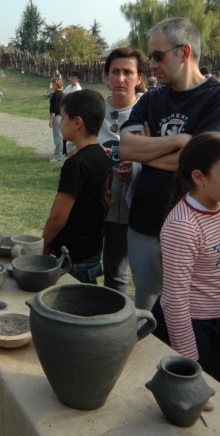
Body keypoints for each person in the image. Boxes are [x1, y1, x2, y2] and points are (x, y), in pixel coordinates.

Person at [119, 17, 220, 311]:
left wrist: (148, 152)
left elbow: (208, 163)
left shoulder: (215, 98)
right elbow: (126, 148)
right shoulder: (151, 98)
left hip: (196, 232)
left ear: (184, 52)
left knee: (191, 312)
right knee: (146, 310)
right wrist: (181, 141)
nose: (151, 64)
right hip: (144, 226)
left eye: (157, 55)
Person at [153, 132, 220, 382]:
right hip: (193, 328)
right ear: (199, 177)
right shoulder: (183, 227)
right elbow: (175, 300)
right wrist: (189, 366)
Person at [41, 90, 110, 284]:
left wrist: (43, 245)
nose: (60, 123)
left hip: (73, 260)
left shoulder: (76, 164)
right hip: (92, 251)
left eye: (63, 118)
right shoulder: (101, 155)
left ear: (77, 123)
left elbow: (58, 218)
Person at [97, 47, 146, 294]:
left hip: (127, 208)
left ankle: (111, 323)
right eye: (115, 72)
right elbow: (72, 147)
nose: (121, 78)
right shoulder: (94, 109)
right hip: (92, 204)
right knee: (80, 263)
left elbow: (157, 156)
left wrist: (135, 170)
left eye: (128, 72)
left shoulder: (149, 114)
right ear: (107, 76)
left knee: (116, 273)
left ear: (139, 78)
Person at [48, 78, 64, 163]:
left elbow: (53, 108)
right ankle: (57, 154)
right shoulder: (62, 94)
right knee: (59, 136)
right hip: (61, 116)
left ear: (57, 84)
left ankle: (58, 155)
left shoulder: (56, 94)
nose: (52, 85)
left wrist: (51, 119)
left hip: (57, 116)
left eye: (53, 84)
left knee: (58, 136)